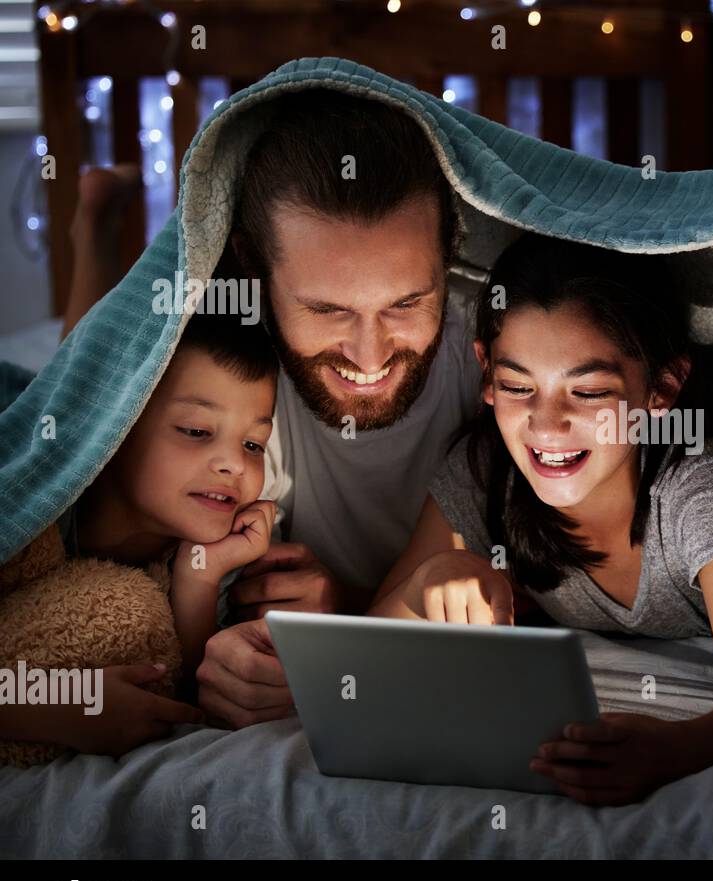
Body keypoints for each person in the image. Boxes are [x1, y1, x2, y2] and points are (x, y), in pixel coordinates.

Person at [60, 90, 484, 729]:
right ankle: (93, 223)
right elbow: (75, 445)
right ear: (254, 267)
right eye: (326, 309)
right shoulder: (222, 387)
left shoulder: (505, 361)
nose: (370, 357)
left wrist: (344, 613)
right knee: (83, 385)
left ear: (449, 259)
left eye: (404, 303)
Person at [371, 234, 713, 804]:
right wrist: (429, 581)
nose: (547, 425)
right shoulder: (484, 474)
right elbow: (365, 641)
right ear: (485, 373)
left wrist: (675, 750)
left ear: (662, 387)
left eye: (589, 391)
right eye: (517, 386)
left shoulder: (695, 490)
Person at [0, 310, 278, 756]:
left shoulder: (226, 551)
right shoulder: (27, 501)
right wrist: (56, 706)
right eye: (196, 431)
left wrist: (198, 579)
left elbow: (191, 703)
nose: (235, 465)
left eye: (253, 445)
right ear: (114, 425)